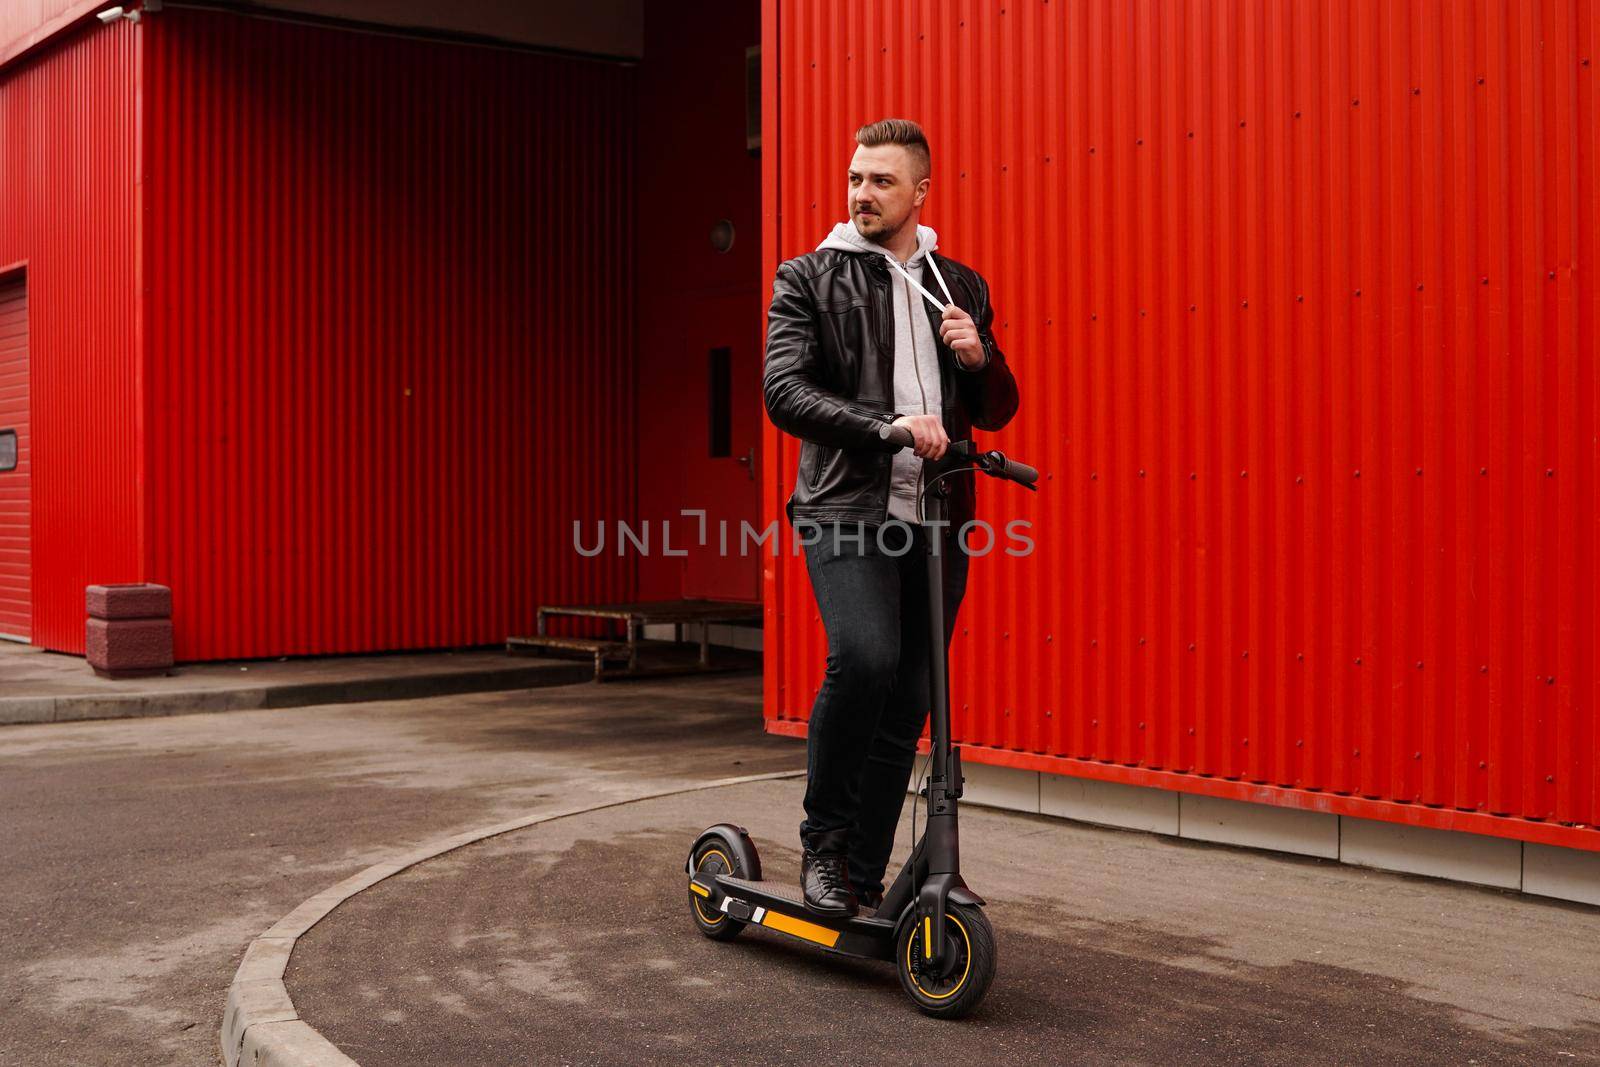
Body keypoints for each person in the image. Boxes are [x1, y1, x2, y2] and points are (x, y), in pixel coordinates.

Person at [762, 118, 1020, 916]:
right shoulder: (808, 277)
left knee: (911, 693)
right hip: (846, 504)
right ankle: (824, 849)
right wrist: (887, 430)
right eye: (854, 179)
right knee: (866, 660)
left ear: (921, 191)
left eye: (879, 181)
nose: (861, 194)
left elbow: (999, 410)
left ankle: (862, 871)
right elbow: (785, 392)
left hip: (938, 514)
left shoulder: (959, 286)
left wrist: (980, 358)